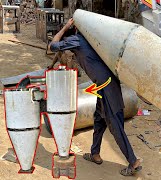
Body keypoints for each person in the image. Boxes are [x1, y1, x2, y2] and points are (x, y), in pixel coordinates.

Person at [48, 18, 142, 176]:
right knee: (99, 118)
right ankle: (95, 153)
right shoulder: (90, 39)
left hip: (106, 86)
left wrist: (64, 28)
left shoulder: (76, 40)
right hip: (105, 84)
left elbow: (51, 46)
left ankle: (133, 161)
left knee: (114, 124)